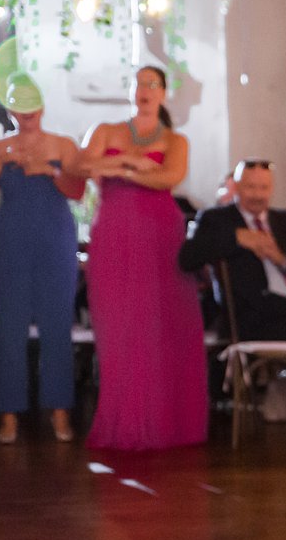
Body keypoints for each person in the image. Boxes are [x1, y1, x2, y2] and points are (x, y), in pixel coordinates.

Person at [79, 65, 208, 451]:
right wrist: (134, 163)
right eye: (139, 83)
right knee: (117, 330)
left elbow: (168, 178)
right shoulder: (105, 130)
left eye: (152, 84)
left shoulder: (177, 139)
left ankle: (165, 425)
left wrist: (122, 167)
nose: (144, 90)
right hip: (113, 237)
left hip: (159, 237)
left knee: (159, 328)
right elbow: (83, 165)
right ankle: (123, 425)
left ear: (164, 94)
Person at [0, 70, 84, 444]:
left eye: (33, 105)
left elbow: (77, 190)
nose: (27, 113)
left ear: (42, 106)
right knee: (9, 327)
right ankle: (9, 416)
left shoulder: (65, 145)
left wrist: (48, 170)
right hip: (10, 239)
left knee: (57, 325)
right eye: (19, 106)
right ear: (9, 109)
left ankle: (60, 411)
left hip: (55, 238)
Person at [178, 159, 286, 346]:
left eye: (264, 188)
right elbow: (188, 258)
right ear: (237, 187)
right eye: (251, 187)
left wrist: (282, 259)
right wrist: (236, 238)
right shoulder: (218, 220)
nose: (258, 195)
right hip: (256, 314)